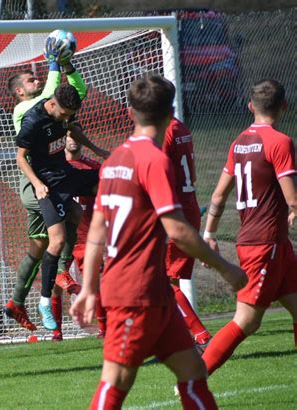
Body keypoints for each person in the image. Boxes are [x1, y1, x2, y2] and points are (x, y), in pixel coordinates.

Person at [69, 75, 247, 409]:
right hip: (134, 293)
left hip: (155, 292)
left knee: (193, 370)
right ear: (170, 113)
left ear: (130, 113)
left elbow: (96, 231)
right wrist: (225, 268)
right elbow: (177, 230)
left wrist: (90, 287)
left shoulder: (113, 161)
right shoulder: (154, 160)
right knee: (116, 381)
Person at [201, 79, 297, 375]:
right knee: (247, 320)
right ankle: (194, 378)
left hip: (272, 244)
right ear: (283, 106)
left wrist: (209, 234)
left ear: (250, 107)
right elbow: (292, 197)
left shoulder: (238, 142)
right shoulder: (280, 142)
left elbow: (218, 195)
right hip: (263, 245)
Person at [3, 53, 87, 332]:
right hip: (35, 183)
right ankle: (60, 274)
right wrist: (54, 61)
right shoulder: (24, 110)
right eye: (30, 79)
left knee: (40, 247)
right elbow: (52, 90)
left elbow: (68, 91)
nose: (36, 80)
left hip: (48, 178)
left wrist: (66, 65)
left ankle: (16, 301)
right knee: (54, 238)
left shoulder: (50, 106)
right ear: (19, 91)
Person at [16, 82, 108, 331]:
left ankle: (63, 268)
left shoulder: (66, 111)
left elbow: (73, 129)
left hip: (63, 172)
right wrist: (36, 184)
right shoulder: (32, 121)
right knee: (54, 241)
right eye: (64, 114)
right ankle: (44, 301)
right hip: (46, 182)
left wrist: (97, 149)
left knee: (104, 182)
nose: (67, 118)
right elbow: (20, 157)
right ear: (53, 104)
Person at [163, 118, 211, 350]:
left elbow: (158, 175)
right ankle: (177, 342)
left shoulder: (164, 131)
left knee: (161, 282)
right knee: (169, 280)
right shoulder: (181, 127)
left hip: (174, 211)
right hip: (188, 205)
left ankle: (201, 335)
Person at [59, 133, 106, 338]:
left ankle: (104, 328)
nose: (73, 139)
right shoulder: (56, 166)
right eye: (69, 135)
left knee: (95, 283)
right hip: (62, 235)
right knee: (54, 278)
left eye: (76, 135)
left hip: (87, 237)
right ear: (63, 139)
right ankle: (55, 333)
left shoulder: (94, 167)